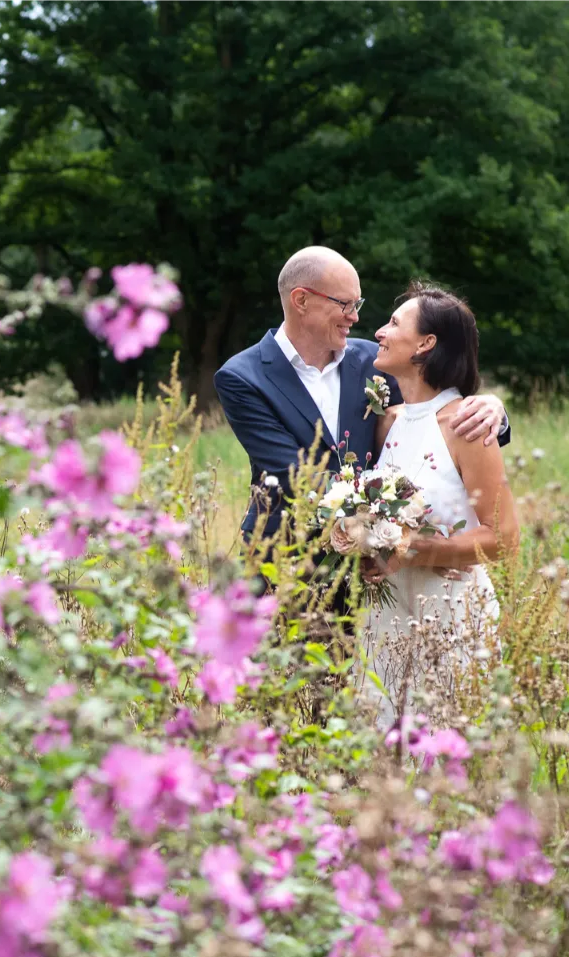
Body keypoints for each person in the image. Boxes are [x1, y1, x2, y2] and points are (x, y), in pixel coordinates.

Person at [212, 246, 509, 588]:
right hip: (286, 564)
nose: (354, 316)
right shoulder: (243, 377)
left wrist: (492, 410)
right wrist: (403, 539)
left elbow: (428, 422)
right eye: (345, 304)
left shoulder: (374, 360)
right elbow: (294, 475)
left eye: (358, 304)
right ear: (301, 300)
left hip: (371, 578)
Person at [360, 283, 519, 723]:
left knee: (450, 751)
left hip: (450, 612)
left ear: (426, 344)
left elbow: (505, 538)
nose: (378, 331)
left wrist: (418, 550)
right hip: (385, 618)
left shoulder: (467, 423)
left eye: (394, 323)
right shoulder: (385, 422)